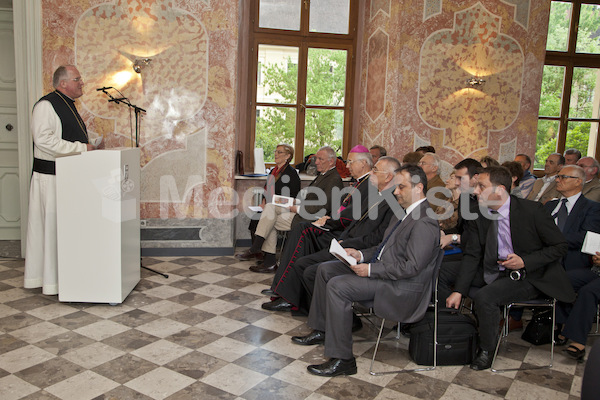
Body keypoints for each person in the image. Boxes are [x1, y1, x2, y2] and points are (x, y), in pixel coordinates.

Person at [291, 164, 441, 377]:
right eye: (396, 187)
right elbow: (384, 247)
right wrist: (360, 255)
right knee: (325, 270)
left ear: (419, 188)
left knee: (338, 286)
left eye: (402, 187)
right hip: (385, 274)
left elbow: (412, 267)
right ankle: (323, 329)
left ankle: (343, 359)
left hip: (400, 286)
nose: (396, 192)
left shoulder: (425, 221)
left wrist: (371, 269)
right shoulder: (404, 213)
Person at [445, 166, 575, 370]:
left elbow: (560, 247)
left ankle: (487, 349)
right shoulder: (478, 214)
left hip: (529, 274)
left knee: (485, 297)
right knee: (442, 271)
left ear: (501, 189)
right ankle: (456, 330)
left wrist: (525, 261)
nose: (476, 190)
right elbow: (472, 255)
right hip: (493, 268)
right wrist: (458, 291)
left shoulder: (532, 211)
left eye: (482, 186)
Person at [262, 156, 400, 313]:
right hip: (342, 233)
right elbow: (353, 218)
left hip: (349, 241)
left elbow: (364, 227)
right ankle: (284, 290)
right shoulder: (375, 192)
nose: (347, 165)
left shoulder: (384, 196)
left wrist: (335, 229)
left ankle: (290, 296)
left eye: (375, 170)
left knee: (304, 232)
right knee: (303, 232)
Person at [24, 65, 95, 295]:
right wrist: (81, 148)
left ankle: (69, 277)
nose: (81, 82)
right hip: (50, 180)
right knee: (51, 230)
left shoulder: (67, 105)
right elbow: (43, 140)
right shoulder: (46, 105)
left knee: (64, 230)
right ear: (62, 83)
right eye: (77, 78)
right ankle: (50, 281)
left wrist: (85, 146)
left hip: (67, 178)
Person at [236, 146, 344, 272]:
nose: (316, 162)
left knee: (269, 217)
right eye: (316, 158)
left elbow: (323, 207)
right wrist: (295, 202)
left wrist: (297, 208)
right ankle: (265, 257)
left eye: (320, 159)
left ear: (331, 161)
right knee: (269, 211)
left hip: (310, 218)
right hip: (302, 211)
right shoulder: (323, 175)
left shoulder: (333, 179)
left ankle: (264, 256)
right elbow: (311, 200)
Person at [545, 165, 600, 271]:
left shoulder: (592, 208)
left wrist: (550, 240)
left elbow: (584, 237)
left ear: (578, 181)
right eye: (557, 176)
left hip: (568, 261)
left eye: (563, 177)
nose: (557, 180)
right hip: (541, 257)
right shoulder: (550, 205)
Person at [247, 144, 301, 249]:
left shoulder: (292, 173)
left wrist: (273, 202)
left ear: (287, 156)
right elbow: (266, 188)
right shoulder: (273, 171)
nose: (276, 154)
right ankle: (258, 252)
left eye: (279, 152)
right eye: (275, 151)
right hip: (270, 206)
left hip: (284, 208)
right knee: (255, 217)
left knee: (264, 218)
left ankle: (258, 251)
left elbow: (294, 197)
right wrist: (263, 201)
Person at [555, 251, 600, 361]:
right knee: (563, 280)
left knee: (588, 291)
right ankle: (565, 323)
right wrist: (595, 258)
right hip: (596, 271)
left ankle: (578, 341)